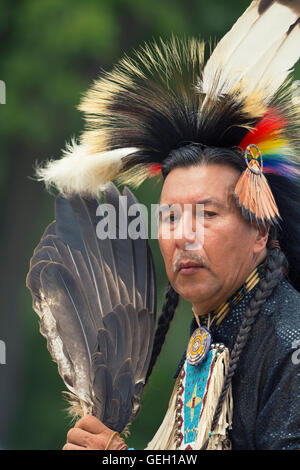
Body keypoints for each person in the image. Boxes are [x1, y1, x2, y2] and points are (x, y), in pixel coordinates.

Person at [29, 0, 300, 450]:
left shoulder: (289, 345)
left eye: (208, 214)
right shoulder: (212, 332)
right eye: (170, 216)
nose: (184, 234)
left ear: (261, 232)